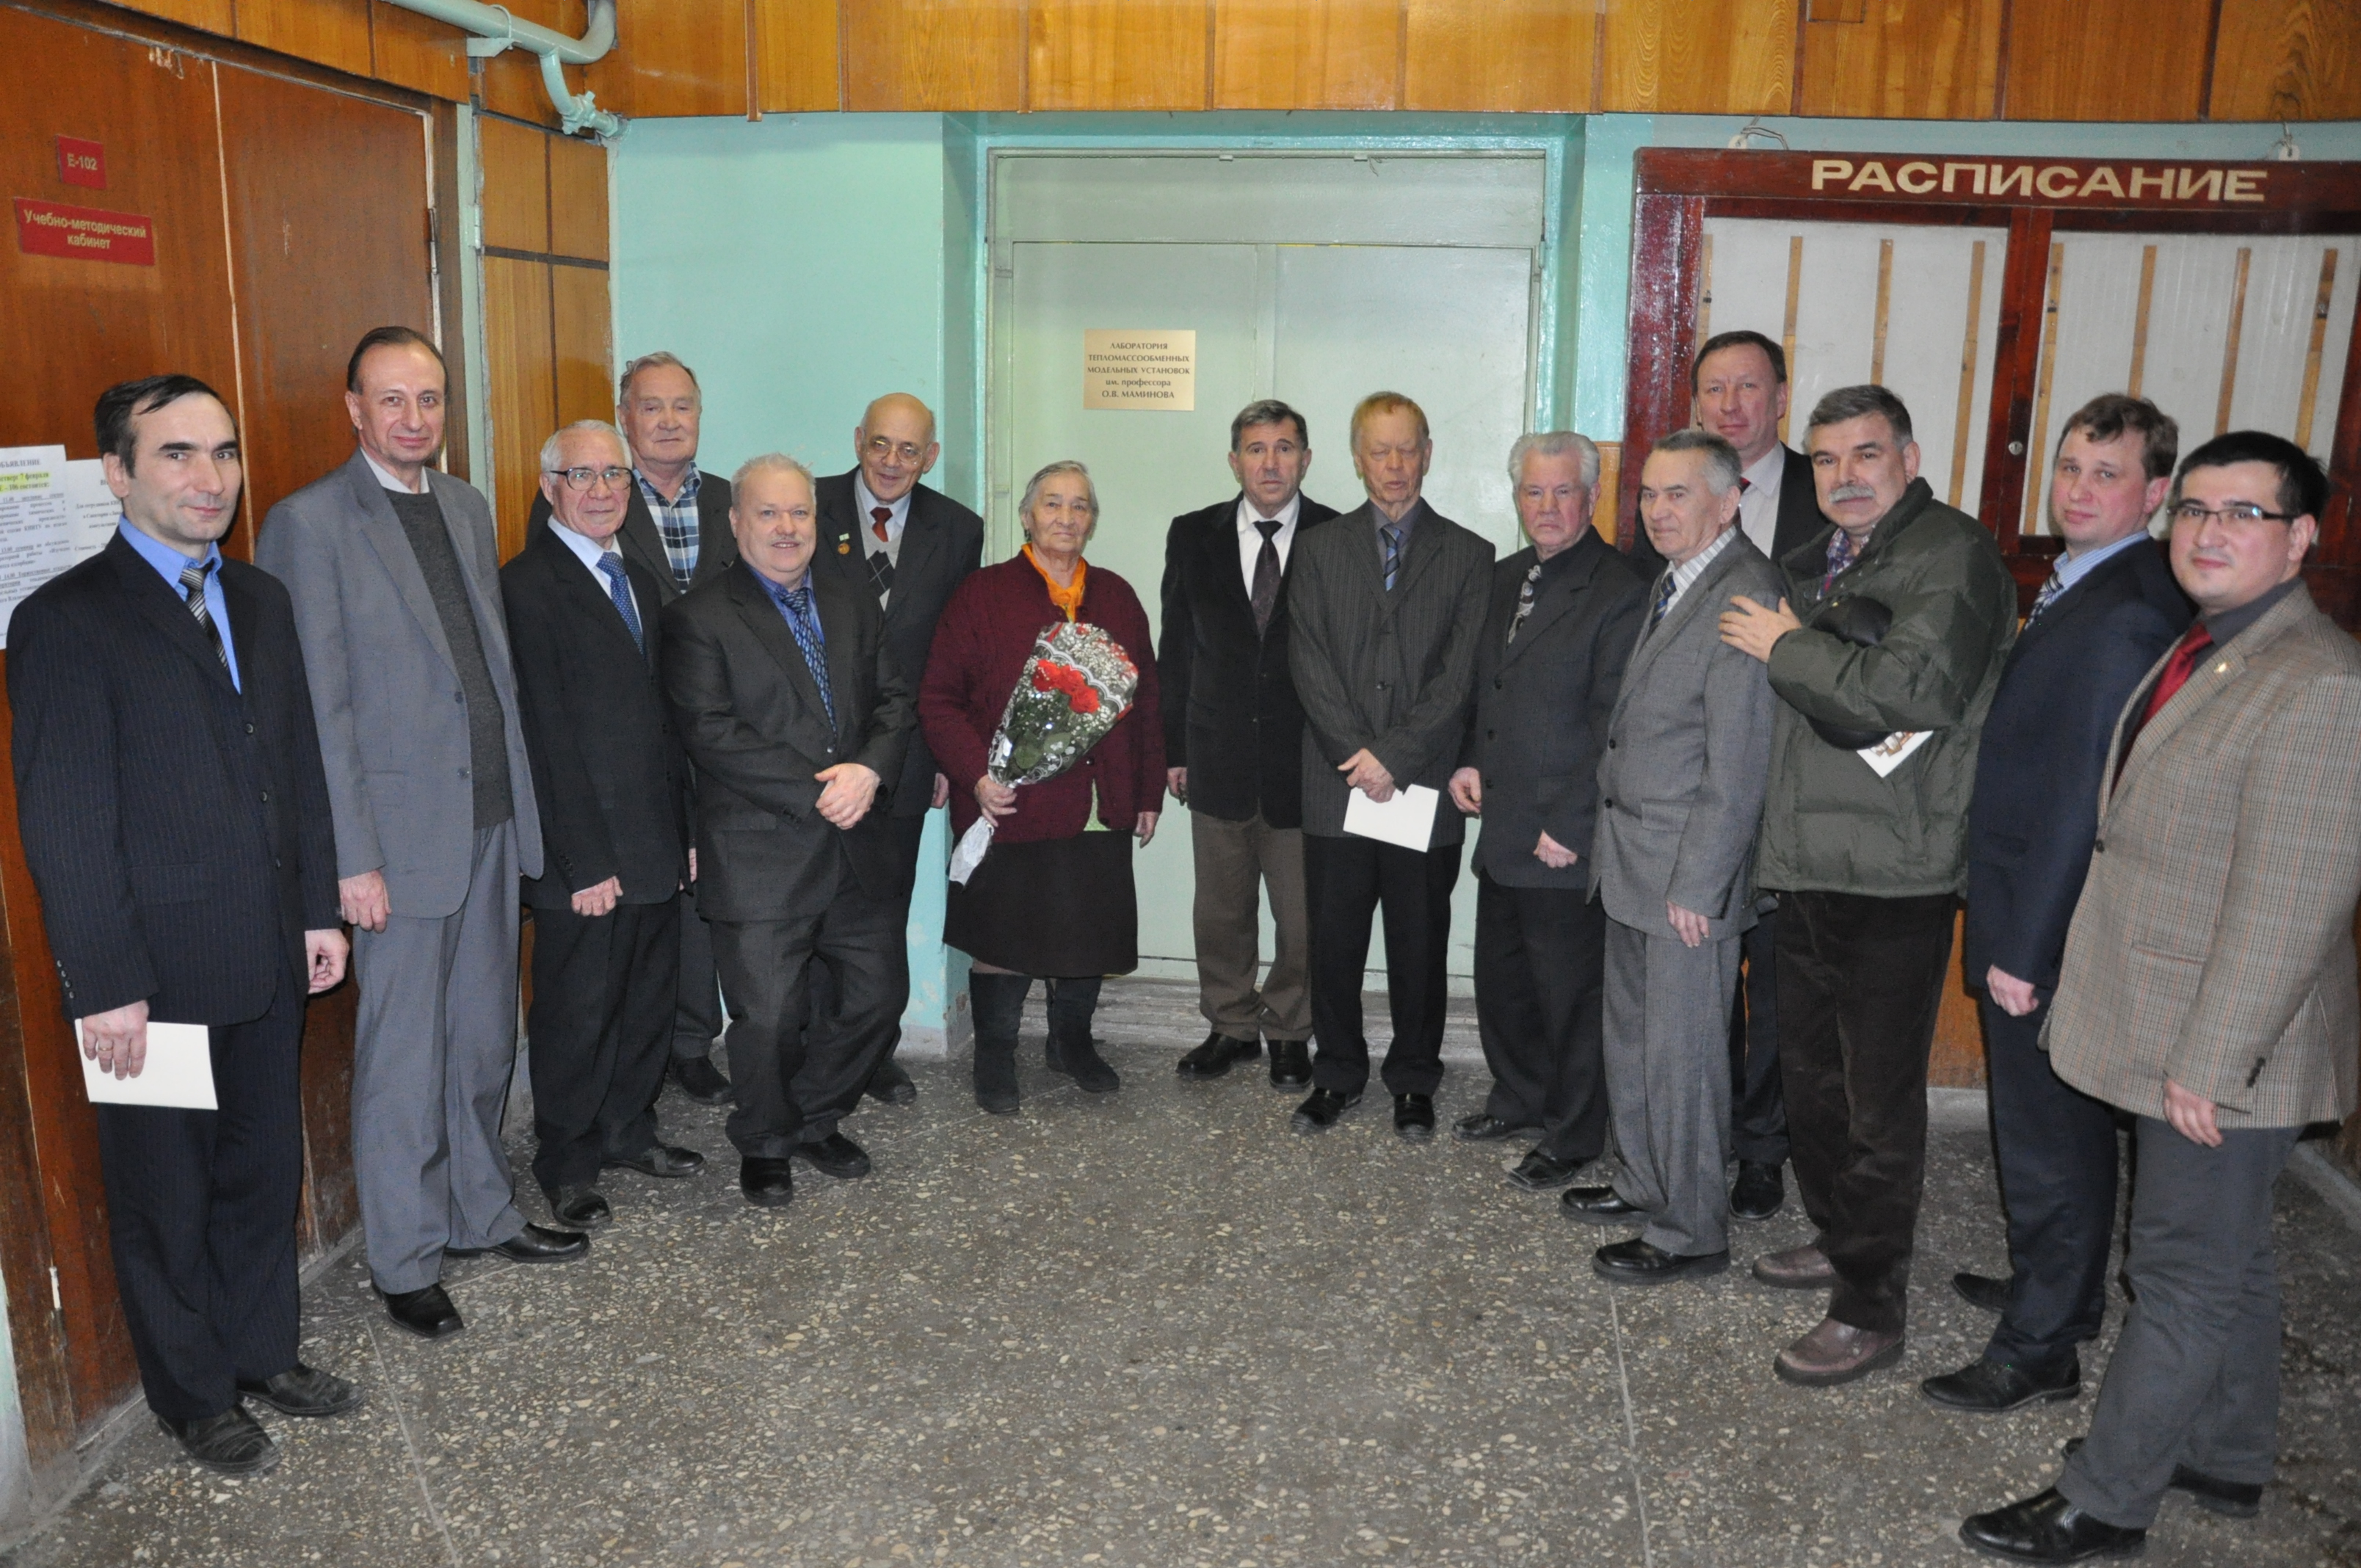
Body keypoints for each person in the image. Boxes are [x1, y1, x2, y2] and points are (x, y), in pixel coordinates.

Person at [1961, 432, 2361, 1563]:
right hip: (2178, 1017)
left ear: (2300, 537)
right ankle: (2227, 1452)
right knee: (2233, 1257)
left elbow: (2293, 903)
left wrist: (2210, 1066)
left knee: (2178, 1272)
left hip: (2227, 1049)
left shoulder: (2321, 683)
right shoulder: (2211, 646)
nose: (2209, 532)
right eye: (2195, 510)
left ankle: (2104, 1501)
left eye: (2243, 514)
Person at [9, 375, 360, 1475]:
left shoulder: (258, 598)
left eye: (223, 453)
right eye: (176, 454)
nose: (210, 479)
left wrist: (318, 912)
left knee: (262, 1171)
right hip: (149, 982)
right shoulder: (64, 620)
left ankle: (262, 1352)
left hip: (265, 952)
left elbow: (297, 769)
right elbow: (66, 821)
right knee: (164, 1198)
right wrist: (104, 984)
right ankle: (195, 1396)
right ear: (118, 472)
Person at [259, 327, 584, 1343]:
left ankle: (481, 1214)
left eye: (430, 399)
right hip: (396, 847)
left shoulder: (465, 505)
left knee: (483, 1038)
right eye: (392, 399)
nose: (414, 418)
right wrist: (350, 858)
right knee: (404, 1059)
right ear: (354, 409)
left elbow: (483, 672)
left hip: (488, 820)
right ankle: (405, 1259)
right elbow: (319, 709)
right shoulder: (309, 523)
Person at [1718, 383, 2015, 1386]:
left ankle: (1870, 1307)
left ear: (1910, 457)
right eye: (1826, 459)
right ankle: (1842, 1239)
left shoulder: (1951, 555)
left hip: (1895, 872)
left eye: (1866, 454)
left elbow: (1912, 691)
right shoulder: (1827, 560)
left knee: (1877, 1102)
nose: (1844, 476)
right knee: (1813, 1085)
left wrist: (1786, 645)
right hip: (1809, 858)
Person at [1923, 396, 2190, 1415]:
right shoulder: (2091, 581)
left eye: (2106, 474)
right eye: (2071, 467)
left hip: (2050, 922)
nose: (2078, 490)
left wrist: (2025, 950)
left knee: (2049, 1136)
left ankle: (2042, 1346)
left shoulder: (2128, 610)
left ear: (2155, 493)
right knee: (2053, 1129)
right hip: (2033, 903)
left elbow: (2084, 792)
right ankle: (2056, 1285)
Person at [661, 455, 915, 1208]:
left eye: (799, 513)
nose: (786, 528)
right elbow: (712, 733)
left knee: (877, 1000)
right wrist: (824, 791)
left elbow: (895, 700)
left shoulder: (852, 600)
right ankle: (766, 1141)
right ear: (736, 522)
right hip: (761, 852)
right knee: (769, 1019)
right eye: (768, 513)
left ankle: (811, 1118)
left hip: (856, 846)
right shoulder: (699, 618)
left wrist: (869, 770)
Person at [1567, 430, 1781, 1282]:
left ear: (1728, 501)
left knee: (1683, 1057)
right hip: (1634, 859)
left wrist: (1702, 883)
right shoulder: (1678, 578)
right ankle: (1645, 1181)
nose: (1657, 510)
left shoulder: (1745, 592)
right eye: (1649, 494)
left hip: (1685, 877)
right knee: (1634, 1041)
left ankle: (1691, 1230)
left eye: (1678, 494)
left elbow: (1740, 761)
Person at [504, 421, 705, 1232]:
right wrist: (581, 861)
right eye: (580, 475)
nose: (600, 490)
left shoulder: (638, 580)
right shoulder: (525, 587)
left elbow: (666, 722)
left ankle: (629, 1129)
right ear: (548, 487)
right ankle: (568, 1161)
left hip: (653, 840)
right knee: (578, 1014)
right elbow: (541, 735)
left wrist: (685, 830)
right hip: (582, 856)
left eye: (613, 475)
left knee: (647, 1001)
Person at [919, 460, 1164, 1114]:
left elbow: (1147, 699)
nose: (1066, 517)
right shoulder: (982, 594)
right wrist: (977, 777)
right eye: (1052, 504)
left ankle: (1072, 1044)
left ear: (1092, 521)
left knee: (1089, 933)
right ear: (1027, 516)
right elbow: (939, 700)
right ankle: (995, 1057)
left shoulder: (1117, 596)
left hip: (1100, 803)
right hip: (1011, 805)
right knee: (1006, 935)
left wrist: (1146, 792)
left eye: (1080, 506)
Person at [530, 352, 736, 1106]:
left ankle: (660, 1086)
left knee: (678, 927)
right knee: (601, 978)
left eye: (684, 405)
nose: (670, 421)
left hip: (695, 762)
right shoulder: (557, 545)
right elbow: (549, 708)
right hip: (607, 785)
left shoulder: (719, 512)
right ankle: (590, 1131)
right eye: (652, 407)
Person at [1287, 392, 1493, 1141]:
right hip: (1336, 784)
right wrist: (1360, 757)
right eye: (1380, 450)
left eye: (1408, 449)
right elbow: (1308, 662)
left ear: (1428, 454)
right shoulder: (1318, 549)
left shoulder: (1470, 556)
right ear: (1358, 458)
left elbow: (1459, 678)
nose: (1395, 464)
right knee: (1334, 945)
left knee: (1418, 946)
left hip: (1423, 788)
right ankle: (1337, 1074)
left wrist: (1395, 758)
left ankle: (1413, 1081)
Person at [1446, 432, 1644, 1188]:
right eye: (1534, 491)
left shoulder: (1619, 588)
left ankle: (1573, 1134)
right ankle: (1519, 1099)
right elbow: (1486, 687)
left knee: (1569, 998)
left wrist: (1571, 823)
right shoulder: (1505, 578)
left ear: (1591, 498)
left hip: (1561, 833)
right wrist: (1469, 758)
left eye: (1564, 491)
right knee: (1505, 983)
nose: (1548, 506)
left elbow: (1614, 723)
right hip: (1503, 823)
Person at [1158, 400, 1340, 1089]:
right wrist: (1174, 749)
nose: (1271, 463)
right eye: (1256, 450)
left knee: (1302, 917)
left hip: (1306, 764)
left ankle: (1291, 1029)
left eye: (1285, 448)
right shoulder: (1192, 533)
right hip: (1216, 755)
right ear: (1234, 461)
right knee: (1221, 911)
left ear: (1306, 460)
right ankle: (1231, 1026)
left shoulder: (1335, 535)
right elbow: (1176, 647)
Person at [811, 393, 984, 1106]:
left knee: (882, 911)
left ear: (930, 457)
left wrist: (944, 755)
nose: (891, 461)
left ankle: (872, 1052)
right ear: (858, 440)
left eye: (909, 450)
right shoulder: (805, 505)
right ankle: (812, 1045)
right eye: (880, 443)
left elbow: (956, 658)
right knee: (811, 908)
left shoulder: (959, 529)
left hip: (907, 756)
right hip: (812, 753)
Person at [1693, 328, 1824, 1223]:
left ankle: (1763, 1148)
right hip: (1700, 783)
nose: (1731, 405)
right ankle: (1700, 1128)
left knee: (1775, 983)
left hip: (1792, 781)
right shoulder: (1677, 490)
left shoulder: (1831, 497)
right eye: (1714, 388)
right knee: (1702, 969)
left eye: (1748, 387)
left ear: (1780, 397)